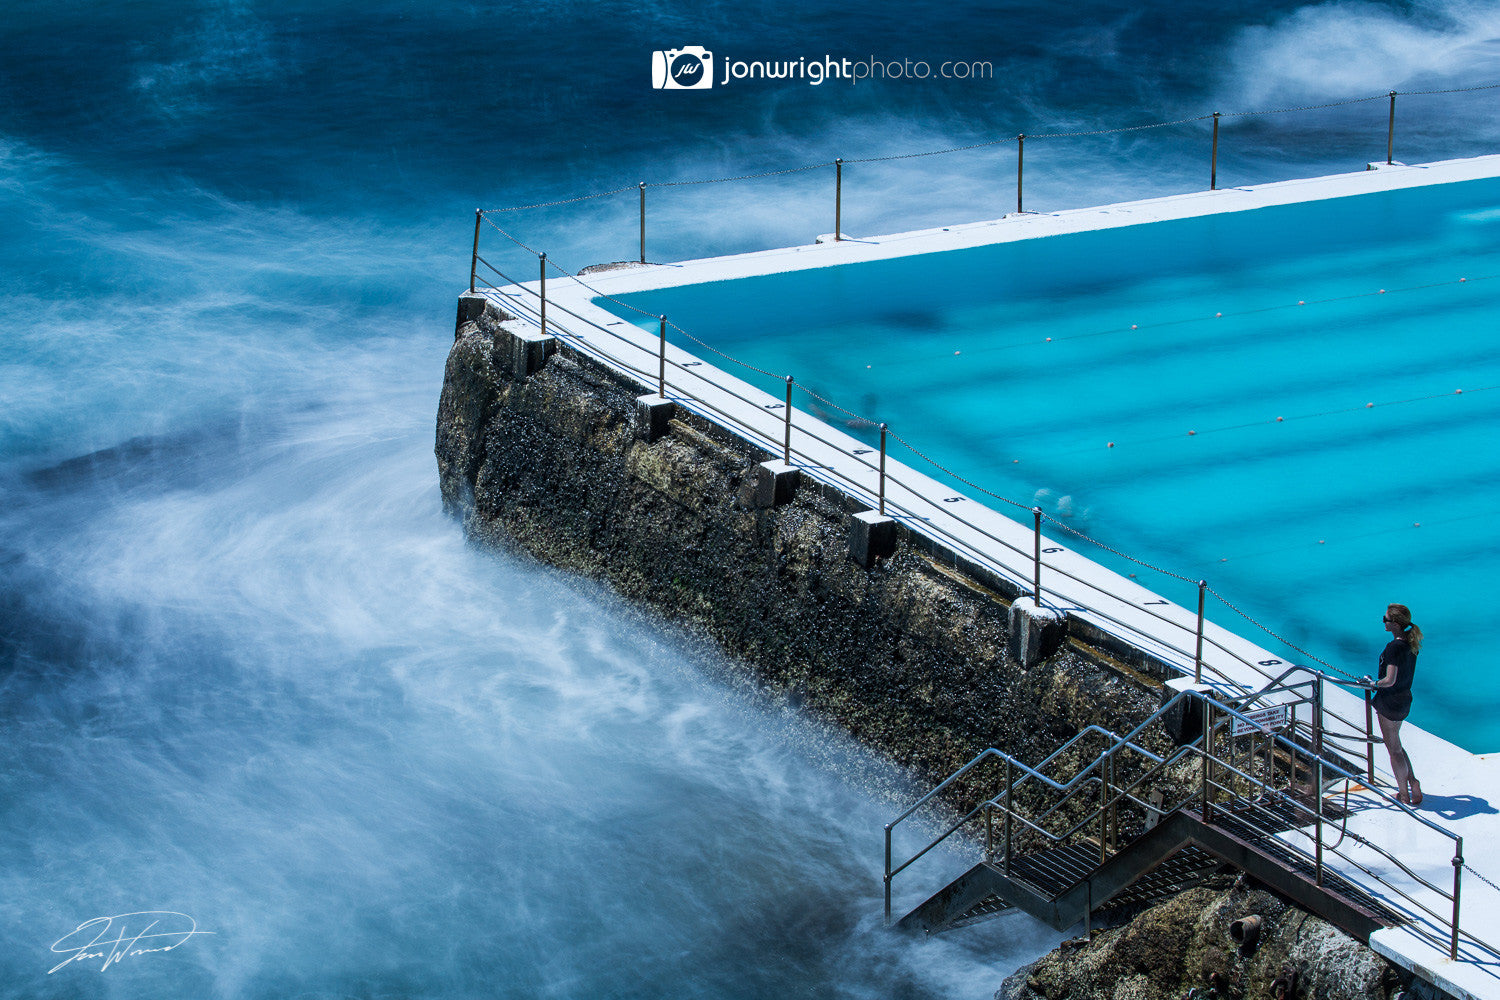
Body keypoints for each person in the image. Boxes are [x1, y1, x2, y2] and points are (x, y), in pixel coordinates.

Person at [1362, 603, 1422, 806]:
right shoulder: (1410, 644)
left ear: (1395, 623)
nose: (1383, 622)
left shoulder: (1394, 647)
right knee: (1397, 744)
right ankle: (1413, 783)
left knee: (1393, 750)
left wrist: (1372, 684)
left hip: (1390, 702)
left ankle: (1404, 794)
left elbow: (1390, 679)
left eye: (1385, 619)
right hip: (1404, 699)